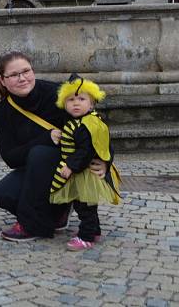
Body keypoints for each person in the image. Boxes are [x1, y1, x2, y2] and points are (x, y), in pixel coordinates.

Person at [0, 51, 108, 241]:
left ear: (33, 70)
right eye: (13, 75)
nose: (22, 78)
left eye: (26, 71)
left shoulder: (58, 95)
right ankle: (56, 214)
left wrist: (105, 161)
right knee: (4, 193)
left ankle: (31, 225)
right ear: (3, 81)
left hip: (70, 167)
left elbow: (95, 128)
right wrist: (45, 139)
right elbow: (10, 158)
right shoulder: (4, 112)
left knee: (41, 154)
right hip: (37, 172)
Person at [49, 76, 121, 251]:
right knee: (87, 204)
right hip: (83, 171)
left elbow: (86, 150)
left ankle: (86, 236)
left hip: (84, 172)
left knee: (84, 206)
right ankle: (94, 230)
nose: (76, 103)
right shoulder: (81, 121)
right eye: (71, 99)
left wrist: (71, 166)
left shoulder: (86, 125)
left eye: (82, 99)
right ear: (63, 103)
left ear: (92, 104)